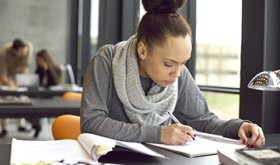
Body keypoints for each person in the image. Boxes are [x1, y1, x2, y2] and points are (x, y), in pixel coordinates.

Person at [80, 0, 265, 147]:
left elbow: (202, 121)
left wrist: (238, 126)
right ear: (143, 51)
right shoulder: (107, 60)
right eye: (169, 63)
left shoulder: (178, 74)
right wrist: (158, 134)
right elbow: (92, 123)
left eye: (183, 63)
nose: (177, 73)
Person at [0, 38, 33, 137]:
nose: (24, 54)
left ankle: (21, 125)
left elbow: (25, 67)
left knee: (21, 97)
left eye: (25, 51)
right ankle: (4, 128)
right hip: (6, 75)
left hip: (17, 74)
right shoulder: (3, 54)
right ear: (14, 51)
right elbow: (3, 74)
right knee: (3, 100)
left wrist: (21, 83)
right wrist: (10, 85)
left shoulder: (28, 48)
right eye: (21, 52)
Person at [29, 49, 62, 138]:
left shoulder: (56, 69)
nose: (39, 62)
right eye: (38, 60)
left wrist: (47, 70)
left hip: (52, 97)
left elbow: (55, 82)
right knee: (28, 108)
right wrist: (43, 71)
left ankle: (37, 125)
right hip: (40, 97)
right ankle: (37, 125)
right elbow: (36, 83)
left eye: (41, 60)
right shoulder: (39, 70)